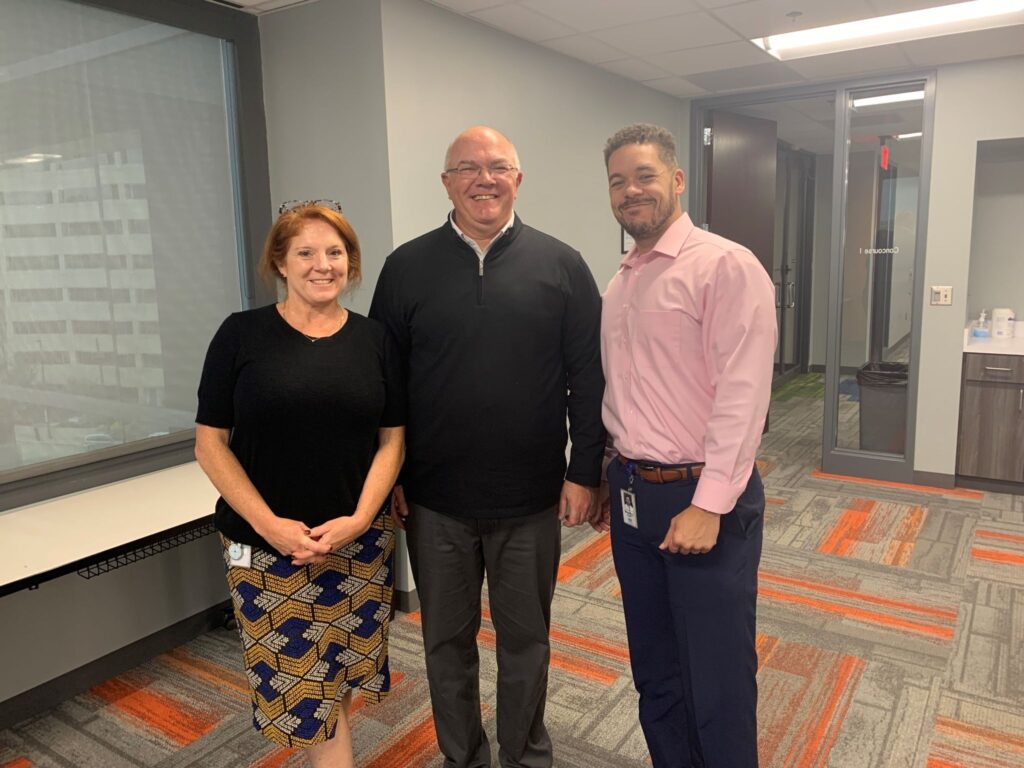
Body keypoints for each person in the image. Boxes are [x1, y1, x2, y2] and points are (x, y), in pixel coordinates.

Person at [369, 126, 605, 768]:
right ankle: (462, 758)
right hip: (434, 501)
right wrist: (385, 476)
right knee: (446, 644)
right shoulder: (406, 268)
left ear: (518, 179)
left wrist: (584, 469)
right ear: (446, 183)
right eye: (467, 167)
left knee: (526, 643)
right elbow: (383, 383)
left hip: (530, 499)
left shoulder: (562, 265)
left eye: (498, 166)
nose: (484, 178)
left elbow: (589, 377)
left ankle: (525, 755)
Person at [194, 201, 405, 768]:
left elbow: (392, 439)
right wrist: (271, 526)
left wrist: (362, 518)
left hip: (357, 543)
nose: (322, 264)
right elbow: (210, 443)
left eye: (334, 252)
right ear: (281, 264)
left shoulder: (374, 341)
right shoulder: (241, 335)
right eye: (306, 252)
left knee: (338, 676)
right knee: (300, 687)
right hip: (267, 551)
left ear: (350, 263)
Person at [595, 124, 777, 768]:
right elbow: (624, 394)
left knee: (717, 675)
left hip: (704, 497)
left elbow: (743, 394)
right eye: (618, 180)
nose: (630, 191)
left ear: (675, 180)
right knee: (657, 668)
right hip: (633, 496)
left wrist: (711, 502)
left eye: (644, 176)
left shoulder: (725, 265)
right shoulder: (620, 283)